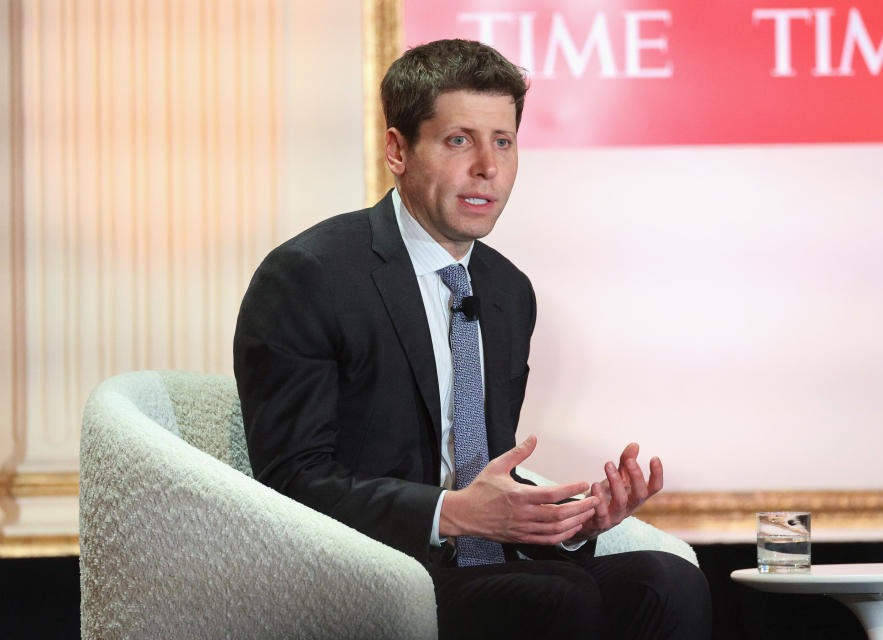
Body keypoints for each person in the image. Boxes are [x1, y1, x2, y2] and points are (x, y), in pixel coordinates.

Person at [234, 38, 711, 639]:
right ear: (398, 150)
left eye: (503, 142)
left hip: (488, 569)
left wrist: (570, 523)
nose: (488, 167)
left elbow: (484, 470)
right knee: (555, 598)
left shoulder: (508, 290)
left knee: (669, 581)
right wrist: (448, 513)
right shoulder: (311, 275)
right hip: (373, 570)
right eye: (459, 140)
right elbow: (290, 481)